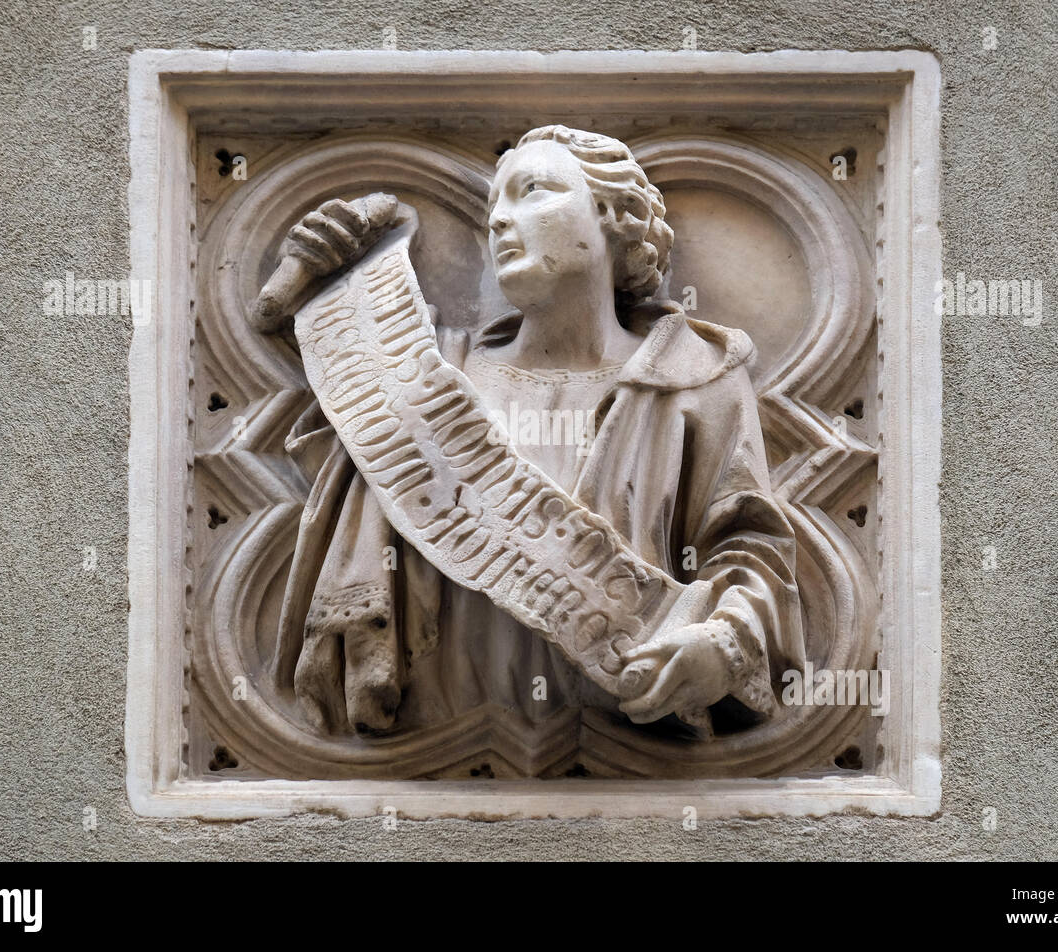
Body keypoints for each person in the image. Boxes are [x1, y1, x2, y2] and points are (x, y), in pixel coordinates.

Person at [264, 126, 805, 764]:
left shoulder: (695, 377)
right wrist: (311, 300)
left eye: (533, 193)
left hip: (633, 750)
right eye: (495, 206)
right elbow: (326, 438)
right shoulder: (430, 375)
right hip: (439, 749)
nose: (500, 221)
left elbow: (750, 546)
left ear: (613, 217)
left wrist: (724, 645)